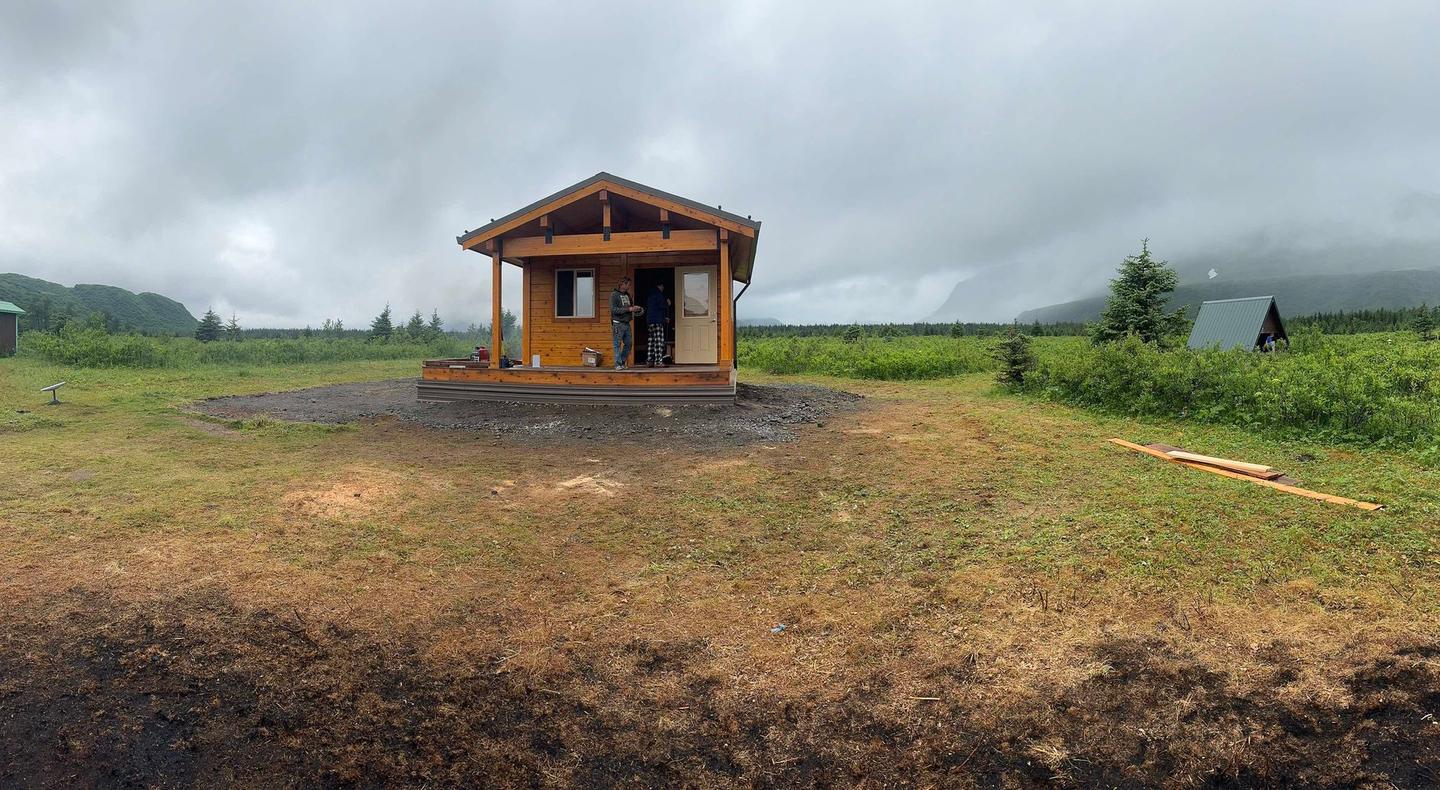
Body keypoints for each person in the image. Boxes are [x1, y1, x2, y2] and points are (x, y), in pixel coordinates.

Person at [609, 275, 641, 369]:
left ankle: (622, 362)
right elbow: (613, 310)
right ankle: (617, 364)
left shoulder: (627, 295)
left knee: (629, 344)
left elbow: (629, 308)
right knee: (617, 344)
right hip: (617, 323)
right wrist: (628, 309)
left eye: (629, 284)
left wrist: (636, 309)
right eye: (627, 284)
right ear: (622, 284)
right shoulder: (614, 295)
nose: (629, 286)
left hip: (626, 323)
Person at [645, 282, 670, 367]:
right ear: (660, 285)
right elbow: (661, 306)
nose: (663, 288)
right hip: (657, 321)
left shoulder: (650, 294)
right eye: (663, 286)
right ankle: (658, 361)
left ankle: (649, 360)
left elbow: (654, 309)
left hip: (650, 320)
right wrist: (667, 303)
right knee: (659, 341)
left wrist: (664, 318)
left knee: (651, 340)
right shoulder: (658, 294)